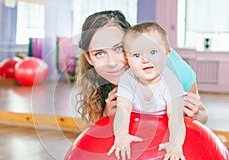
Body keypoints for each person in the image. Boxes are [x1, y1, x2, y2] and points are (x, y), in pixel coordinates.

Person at [76, 10, 208, 125]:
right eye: (99, 53)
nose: (111, 62)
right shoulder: (97, 80)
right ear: (89, 58)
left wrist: (194, 115)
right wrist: (106, 117)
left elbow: (203, 116)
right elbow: (95, 128)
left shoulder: (169, 66)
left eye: (119, 48)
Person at [107, 22, 186, 160]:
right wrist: (121, 135)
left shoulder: (171, 81)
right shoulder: (127, 79)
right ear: (127, 59)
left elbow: (175, 114)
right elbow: (123, 108)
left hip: (165, 123)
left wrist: (175, 142)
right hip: (138, 122)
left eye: (153, 52)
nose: (145, 59)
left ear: (167, 55)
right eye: (137, 55)